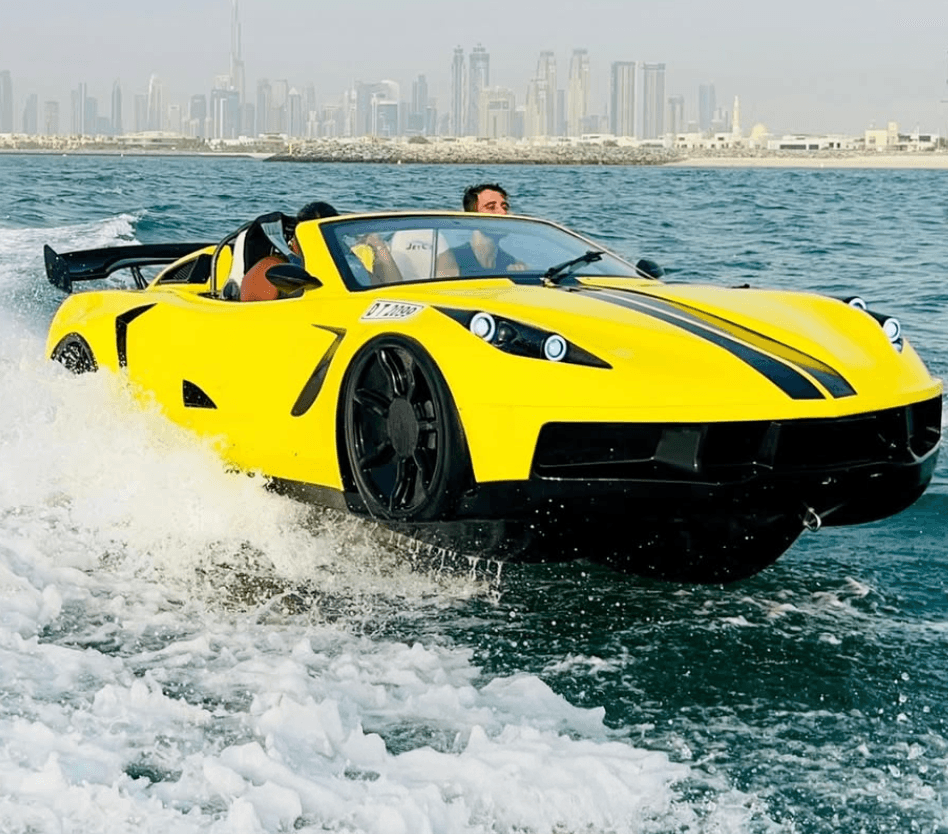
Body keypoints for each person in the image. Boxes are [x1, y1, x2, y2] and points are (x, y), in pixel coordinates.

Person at [240, 201, 339, 302]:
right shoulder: (270, 268)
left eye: (327, 238)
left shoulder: (346, 264)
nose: (319, 243)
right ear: (294, 237)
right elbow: (253, 312)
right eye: (310, 238)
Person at [435, 183, 522, 277]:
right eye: (491, 207)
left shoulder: (514, 264)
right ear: (472, 218)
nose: (503, 212)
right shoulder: (450, 259)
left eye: (504, 207)